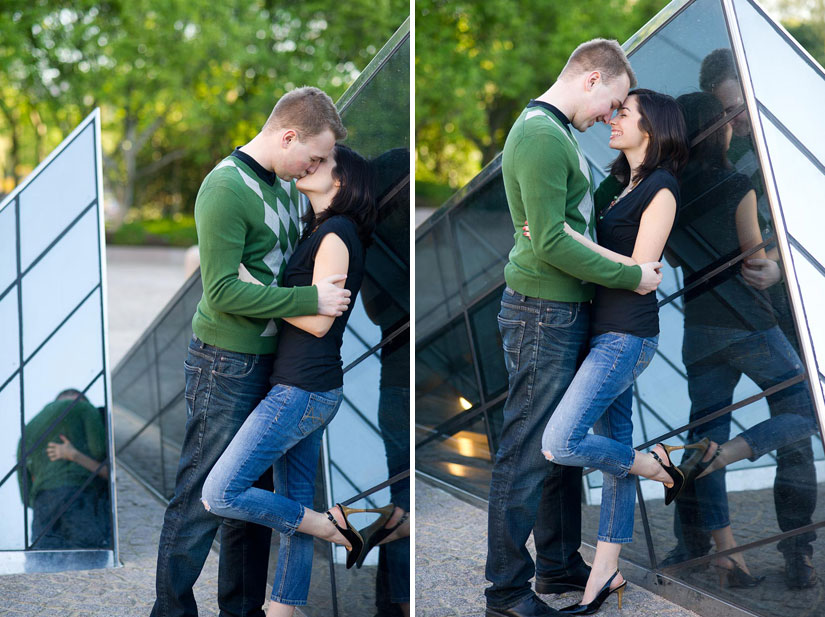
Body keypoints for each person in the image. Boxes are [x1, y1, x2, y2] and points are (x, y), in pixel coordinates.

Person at [151, 87, 352, 617]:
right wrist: (311, 298)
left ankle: (241, 611)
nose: (314, 167)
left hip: (272, 364)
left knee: (248, 500)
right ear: (287, 136)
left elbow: (267, 274)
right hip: (224, 364)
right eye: (311, 156)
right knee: (201, 496)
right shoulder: (224, 187)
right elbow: (220, 291)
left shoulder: (287, 187)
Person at [485, 39, 664, 617]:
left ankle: (558, 566)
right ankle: (507, 595)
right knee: (523, 455)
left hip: (560, 310)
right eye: (612, 101)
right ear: (591, 79)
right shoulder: (539, 134)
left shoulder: (556, 133)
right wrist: (631, 273)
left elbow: (559, 231)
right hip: (541, 313)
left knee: (553, 453)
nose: (611, 115)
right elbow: (555, 241)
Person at [201, 143, 378, 617]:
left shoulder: (338, 233)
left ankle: (326, 527)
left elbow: (318, 322)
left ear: (342, 182)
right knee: (295, 506)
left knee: (220, 491)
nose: (311, 164)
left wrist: (257, 289)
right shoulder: (319, 231)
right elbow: (309, 304)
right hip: (305, 387)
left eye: (324, 162)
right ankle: (284, 609)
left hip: (302, 390)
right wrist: (280, 294)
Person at [538, 89, 689, 614]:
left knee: (560, 442)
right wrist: (556, 234)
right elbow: (581, 241)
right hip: (596, 332)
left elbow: (643, 275)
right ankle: (604, 575)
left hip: (627, 335)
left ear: (652, 126)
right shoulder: (616, 185)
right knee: (614, 451)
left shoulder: (662, 188)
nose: (612, 119)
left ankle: (655, 466)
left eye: (623, 113)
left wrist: (567, 241)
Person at [662, 91, 818, 590]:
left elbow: (675, 259)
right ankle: (728, 454)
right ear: (718, 129)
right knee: (809, 406)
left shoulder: (670, 193)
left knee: (704, 433)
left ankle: (727, 554)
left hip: (698, 332)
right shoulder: (736, 183)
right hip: (750, 324)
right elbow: (754, 259)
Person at [17, 389, 110, 549]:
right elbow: (99, 450)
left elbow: (24, 492)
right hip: (80, 494)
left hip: (42, 504)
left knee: (45, 560)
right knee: (87, 556)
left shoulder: (27, 431)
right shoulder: (84, 408)